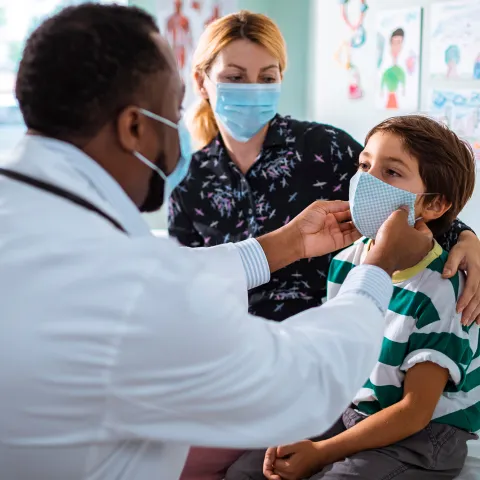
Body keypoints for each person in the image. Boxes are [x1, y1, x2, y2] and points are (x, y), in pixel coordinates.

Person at [0, 5, 436, 480]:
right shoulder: (132, 285)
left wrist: (281, 246)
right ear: (134, 127)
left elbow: (171, 272)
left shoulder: (35, 220)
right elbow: (305, 384)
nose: (183, 127)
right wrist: (375, 270)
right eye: (174, 107)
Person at [169, 11, 480, 478]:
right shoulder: (190, 182)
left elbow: (417, 210)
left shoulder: (326, 149)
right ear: (202, 80)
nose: (252, 89)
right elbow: (183, 290)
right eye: (235, 77)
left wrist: (470, 239)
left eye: (266, 77)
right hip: (240, 366)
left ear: (281, 79)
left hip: (324, 359)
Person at [226, 116, 479, 480]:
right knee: (249, 470)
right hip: (356, 411)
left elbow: (414, 412)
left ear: (435, 204)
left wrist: (321, 452)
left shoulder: (441, 288)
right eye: (364, 165)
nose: (366, 180)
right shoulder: (347, 262)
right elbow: (337, 360)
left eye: (392, 172)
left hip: (424, 436)